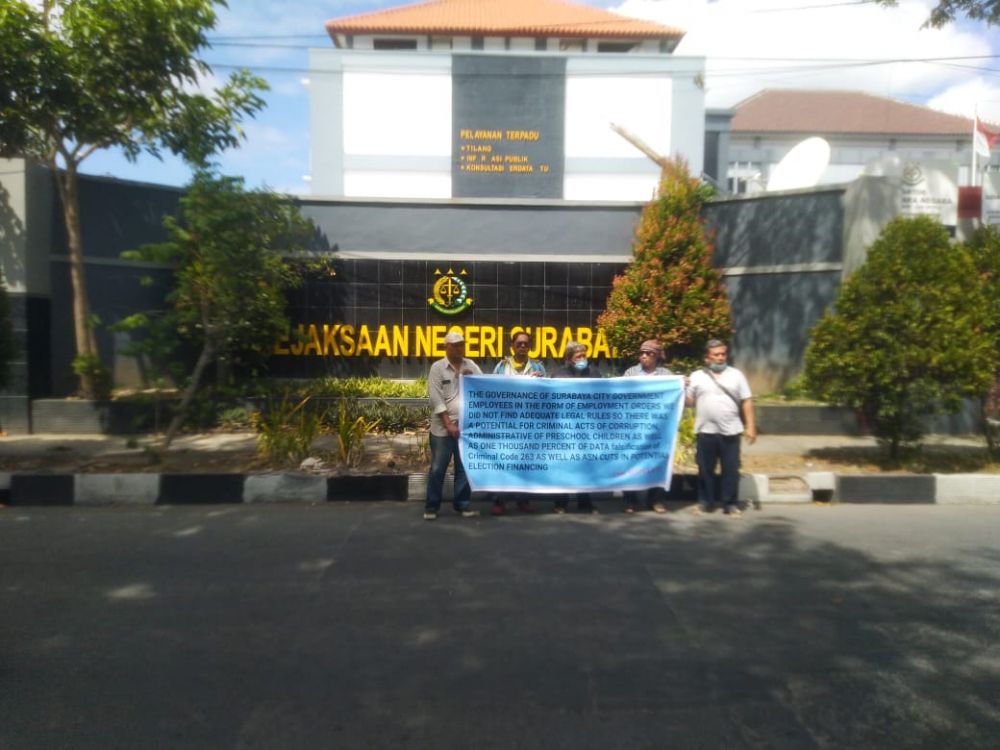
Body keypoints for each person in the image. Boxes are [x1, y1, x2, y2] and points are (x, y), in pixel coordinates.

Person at [685, 338, 757, 517]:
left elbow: (746, 401)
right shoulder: (696, 376)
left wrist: (751, 427)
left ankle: (730, 504)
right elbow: (689, 402)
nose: (720, 358)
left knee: (731, 470)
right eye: (716, 355)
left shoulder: (737, 375)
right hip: (705, 431)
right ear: (707, 358)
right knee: (705, 470)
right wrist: (680, 388)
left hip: (731, 431)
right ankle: (705, 503)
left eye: (723, 354)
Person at [424, 330, 482, 520]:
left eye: (461, 345)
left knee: (463, 468)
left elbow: (485, 384)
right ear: (446, 347)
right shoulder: (437, 368)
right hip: (442, 428)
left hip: (466, 427)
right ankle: (432, 507)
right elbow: (435, 398)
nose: (459, 348)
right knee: (438, 468)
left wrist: (472, 378)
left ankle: (462, 505)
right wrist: (448, 424)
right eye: (455, 345)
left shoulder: (470, 365)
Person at [490, 330, 545, 516]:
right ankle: (499, 500)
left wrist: (541, 381)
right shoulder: (501, 367)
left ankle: (523, 500)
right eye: (519, 343)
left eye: (526, 344)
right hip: (505, 423)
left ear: (530, 347)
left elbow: (546, 393)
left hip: (528, 424)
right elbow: (491, 391)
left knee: (524, 464)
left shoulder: (538, 367)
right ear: (512, 346)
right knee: (503, 462)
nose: (522, 346)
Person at [620, 340, 673, 514]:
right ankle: (630, 501)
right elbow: (622, 394)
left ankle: (656, 500)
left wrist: (682, 385)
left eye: (648, 353)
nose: (644, 356)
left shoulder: (666, 375)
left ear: (657, 356)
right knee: (630, 462)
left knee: (656, 461)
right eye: (642, 353)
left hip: (657, 428)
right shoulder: (631, 373)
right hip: (633, 426)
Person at [550, 341, 600, 514]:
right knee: (564, 465)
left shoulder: (594, 374)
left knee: (585, 465)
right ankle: (561, 502)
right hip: (564, 428)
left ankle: (585, 502)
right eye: (579, 356)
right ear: (569, 359)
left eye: (584, 355)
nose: (583, 359)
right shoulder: (558, 375)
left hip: (587, 428)